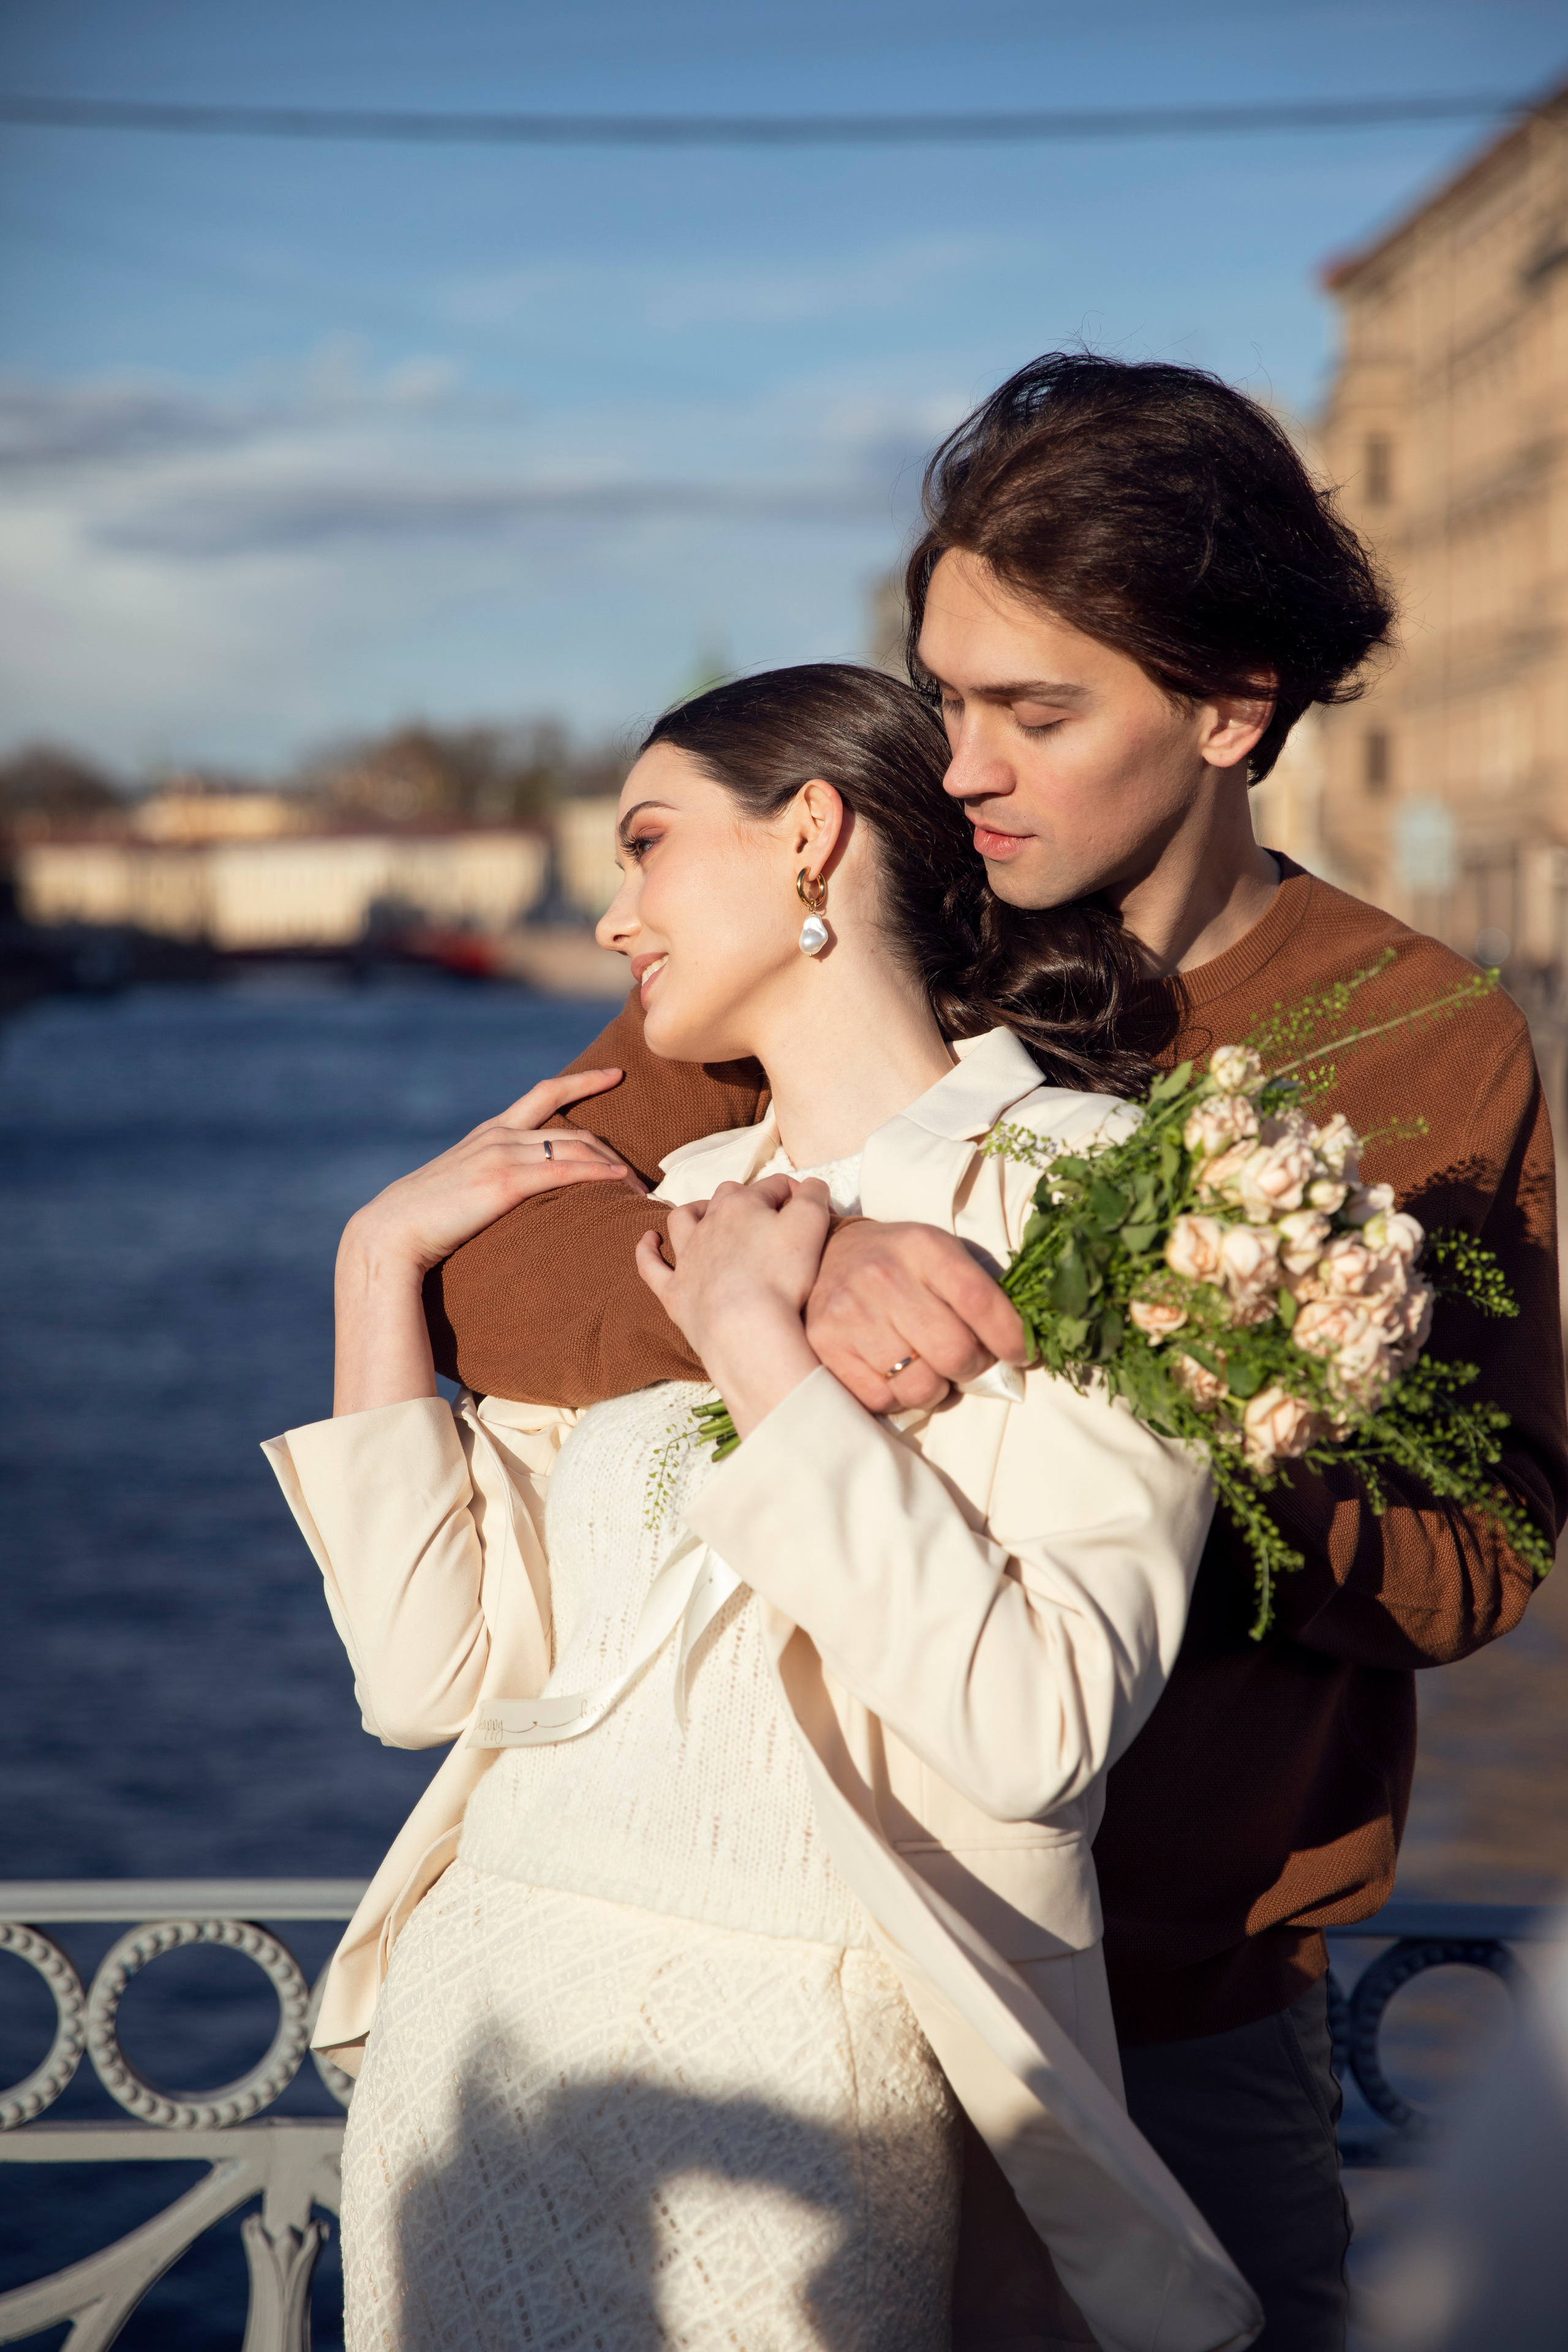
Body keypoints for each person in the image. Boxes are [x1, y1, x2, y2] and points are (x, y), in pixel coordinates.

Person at [423, 355, 1568, 2351]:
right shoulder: (851, 906)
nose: (959, 768)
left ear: (1233, 712)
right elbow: (497, 1265)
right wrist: (797, 1277)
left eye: (1041, 713)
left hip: (1164, 2014)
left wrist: (1131, 1401)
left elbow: (1479, 1549)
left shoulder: (1412, 1038)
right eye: (949, 694)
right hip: (766, 1990)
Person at [266, 665, 1262, 2352]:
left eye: (647, 845)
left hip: (807, 2065)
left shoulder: (1103, 1193)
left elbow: (1038, 1724)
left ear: (810, 835)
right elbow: (432, 1676)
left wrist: (754, 1343)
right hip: (484, 2029)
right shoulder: (664, 1208)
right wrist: (382, 1261)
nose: (609, 920)